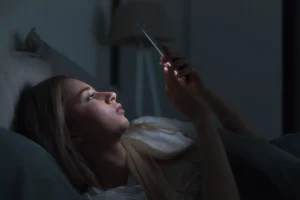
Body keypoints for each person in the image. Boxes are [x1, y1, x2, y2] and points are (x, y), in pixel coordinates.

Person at [13, 44, 247, 200]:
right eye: (90, 97)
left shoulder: (148, 128)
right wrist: (200, 118)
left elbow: (253, 145)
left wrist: (202, 93)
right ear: (71, 134)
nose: (110, 95)